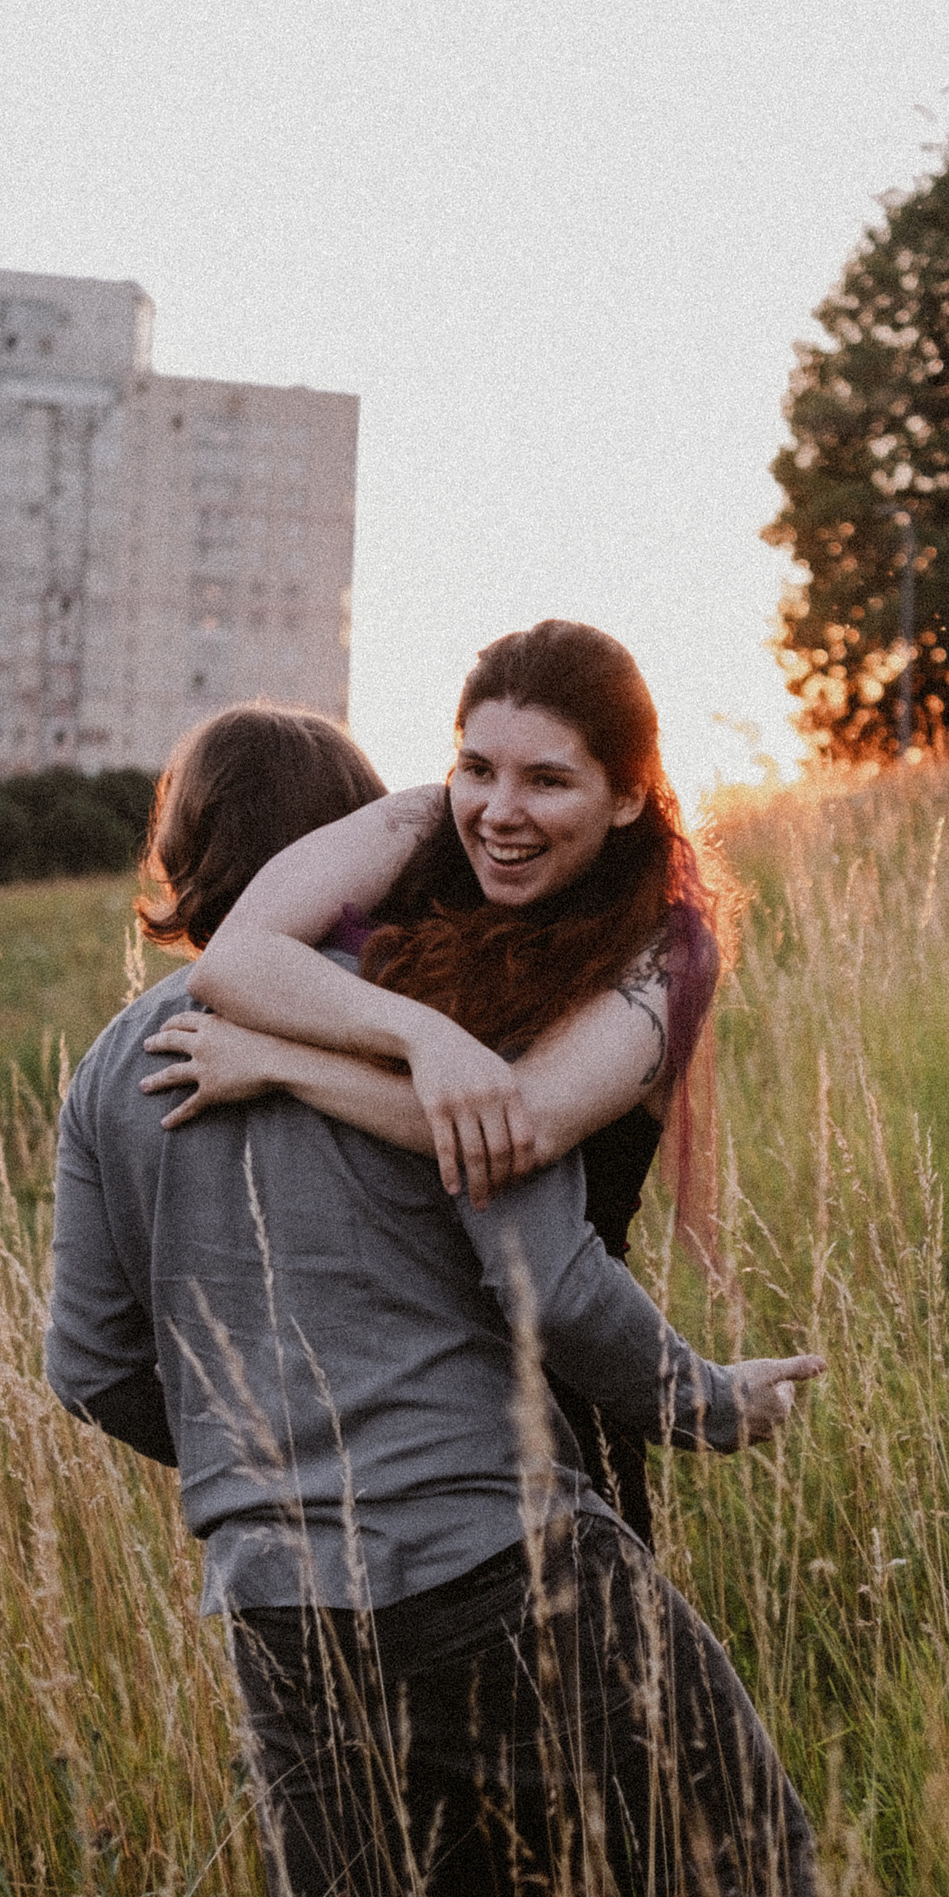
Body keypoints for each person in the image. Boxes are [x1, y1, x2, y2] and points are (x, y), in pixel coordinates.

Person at [45, 690, 819, 1897]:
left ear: (182, 868)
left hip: (274, 1595)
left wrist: (263, 1473)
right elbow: (555, 1283)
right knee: (736, 1854)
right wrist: (706, 1403)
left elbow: (94, 1364)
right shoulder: (433, 1005)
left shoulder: (114, 1070)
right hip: (496, 1549)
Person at [142, 620, 734, 1540]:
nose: (499, 811)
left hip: (557, 1414)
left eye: (548, 780)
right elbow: (234, 960)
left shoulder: (669, 946)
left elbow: (515, 1131)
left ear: (626, 796)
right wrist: (423, 1036)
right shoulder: (421, 824)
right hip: (390, 1404)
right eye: (478, 767)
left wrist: (285, 1064)